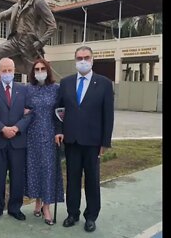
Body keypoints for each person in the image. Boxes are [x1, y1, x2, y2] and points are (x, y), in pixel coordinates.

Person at [54, 46, 114, 233]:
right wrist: (59, 131)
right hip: (71, 141)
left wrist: (105, 142)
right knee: (72, 179)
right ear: (75, 60)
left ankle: (91, 216)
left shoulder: (104, 83)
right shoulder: (66, 83)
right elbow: (58, 111)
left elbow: (108, 115)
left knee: (92, 180)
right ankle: (72, 214)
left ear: (92, 60)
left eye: (86, 57)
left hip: (93, 142)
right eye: (79, 57)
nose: (83, 61)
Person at [0, 57, 33, 222]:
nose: (7, 73)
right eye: (4, 70)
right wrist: (2, 129)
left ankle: (15, 208)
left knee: (17, 177)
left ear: (14, 71)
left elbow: (30, 113)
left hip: (18, 141)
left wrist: (17, 128)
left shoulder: (24, 90)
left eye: (9, 70)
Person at [24, 58, 64, 225]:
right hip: (31, 136)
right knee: (34, 169)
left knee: (48, 170)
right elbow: (24, 110)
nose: (39, 72)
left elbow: (60, 112)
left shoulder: (56, 89)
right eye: (36, 69)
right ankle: (38, 201)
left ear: (48, 70)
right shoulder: (28, 89)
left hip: (49, 135)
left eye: (42, 68)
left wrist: (59, 132)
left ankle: (46, 206)